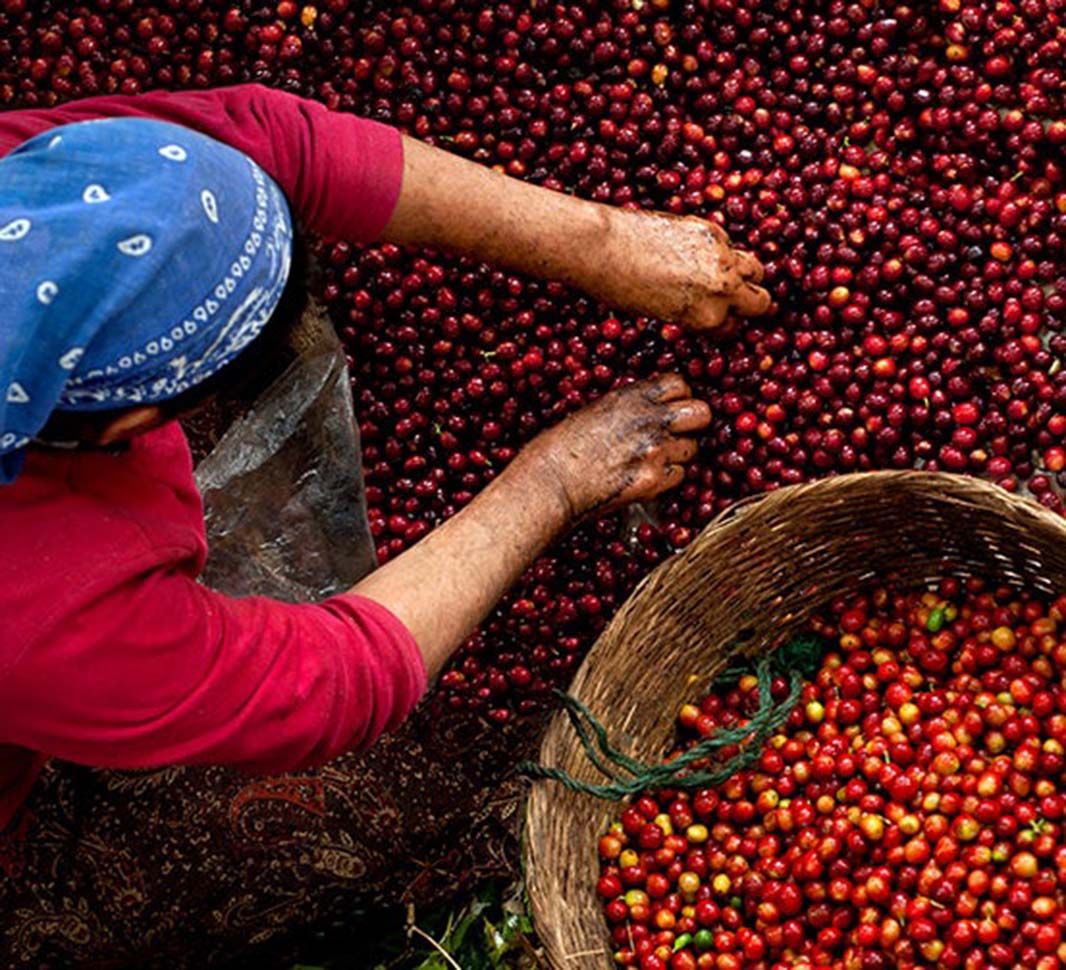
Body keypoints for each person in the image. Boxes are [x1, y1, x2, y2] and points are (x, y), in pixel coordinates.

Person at [0, 84, 768, 965]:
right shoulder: (40, 609)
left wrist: (605, 242)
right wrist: (554, 480)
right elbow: (328, 684)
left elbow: (277, 143)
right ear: (129, 423)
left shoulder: (37, 194)